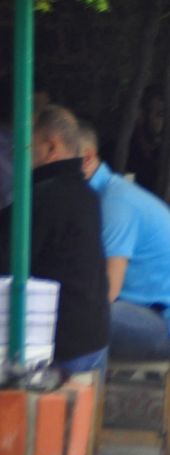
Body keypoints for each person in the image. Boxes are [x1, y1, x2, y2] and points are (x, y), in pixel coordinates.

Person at [79, 124, 170, 361]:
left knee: (76, 318)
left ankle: (79, 395)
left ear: (86, 158)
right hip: (145, 312)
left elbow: (108, 289)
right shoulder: (103, 197)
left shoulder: (116, 203)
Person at [0, 106, 109, 375]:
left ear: (51, 147)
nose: (19, 156)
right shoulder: (88, 195)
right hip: (96, 340)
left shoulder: (44, 199)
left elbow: (6, 261)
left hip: (61, 347)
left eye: (27, 147)